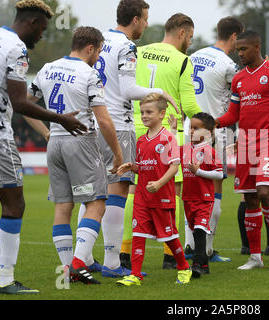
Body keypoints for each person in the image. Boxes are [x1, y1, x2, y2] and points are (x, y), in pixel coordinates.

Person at [0, 0, 87, 294]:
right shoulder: (15, 48)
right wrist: (61, 120)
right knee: (14, 204)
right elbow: (20, 103)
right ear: (32, 23)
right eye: (42, 31)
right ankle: (5, 280)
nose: (41, 37)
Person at [76, 0, 177, 278]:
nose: (145, 24)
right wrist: (160, 92)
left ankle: (80, 259)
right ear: (135, 19)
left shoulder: (99, 39)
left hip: (88, 126)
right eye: (145, 19)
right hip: (117, 125)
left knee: (90, 196)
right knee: (118, 193)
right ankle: (110, 262)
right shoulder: (126, 46)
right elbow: (129, 88)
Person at [27, 26, 123, 285]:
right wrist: (117, 153)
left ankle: (69, 268)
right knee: (97, 202)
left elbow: (24, 105)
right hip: (80, 142)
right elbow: (103, 121)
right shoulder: (89, 74)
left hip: (55, 143)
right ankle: (78, 264)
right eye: (100, 50)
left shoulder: (47, 68)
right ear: (90, 47)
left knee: (63, 206)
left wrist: (46, 133)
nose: (99, 56)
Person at [120, 13, 202, 270]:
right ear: (182, 33)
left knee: (133, 190)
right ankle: (170, 254)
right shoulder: (182, 60)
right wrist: (208, 125)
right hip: (166, 131)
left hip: (134, 126)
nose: (189, 41)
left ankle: (124, 251)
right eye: (189, 36)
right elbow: (188, 105)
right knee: (171, 192)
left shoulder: (138, 50)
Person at [215, 30, 269, 270]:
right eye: (238, 49)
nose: (239, 53)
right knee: (250, 199)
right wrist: (213, 122)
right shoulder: (239, 79)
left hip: (268, 140)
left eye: (243, 49)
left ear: (257, 47)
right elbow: (233, 114)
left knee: (264, 192)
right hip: (246, 142)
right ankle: (255, 257)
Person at [116, 93, 192, 286]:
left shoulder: (168, 138)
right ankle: (136, 274)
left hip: (162, 197)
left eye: (149, 112)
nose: (144, 116)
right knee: (138, 233)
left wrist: (159, 183)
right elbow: (143, 166)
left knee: (170, 236)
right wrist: (131, 166)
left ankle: (184, 267)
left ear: (161, 114)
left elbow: (174, 167)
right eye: (142, 112)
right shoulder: (141, 140)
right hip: (142, 196)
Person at [187, 16, 244, 262]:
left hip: (189, 129)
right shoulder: (229, 65)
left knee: (191, 190)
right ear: (234, 36)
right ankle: (206, 251)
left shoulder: (193, 56)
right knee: (213, 190)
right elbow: (240, 101)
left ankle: (191, 247)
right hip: (215, 132)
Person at [181, 112, 224, 277]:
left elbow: (219, 174)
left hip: (204, 198)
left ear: (208, 132)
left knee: (200, 229)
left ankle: (197, 264)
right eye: (190, 127)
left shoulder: (209, 151)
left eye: (196, 128)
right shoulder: (186, 150)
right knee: (195, 230)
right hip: (188, 198)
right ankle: (204, 264)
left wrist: (199, 172)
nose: (191, 131)